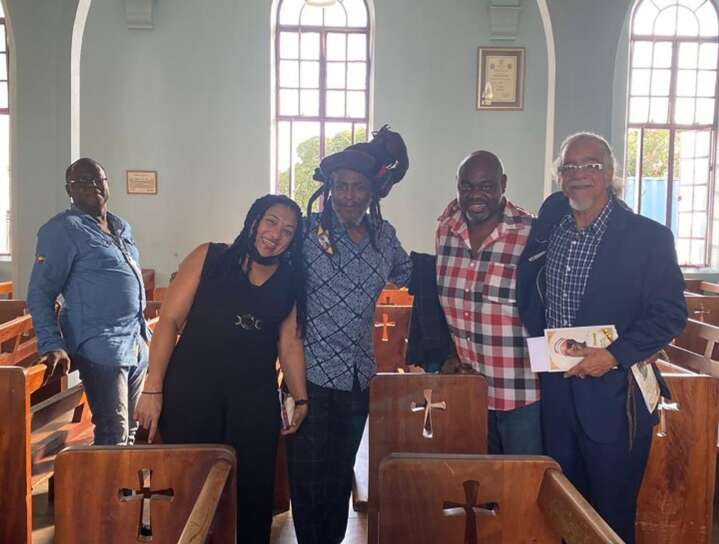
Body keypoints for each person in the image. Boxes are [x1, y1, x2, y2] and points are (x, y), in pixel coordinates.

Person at [516, 132, 687, 543]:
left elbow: (670, 314)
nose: (579, 175)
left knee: (609, 517)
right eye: (569, 167)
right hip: (557, 395)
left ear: (610, 174)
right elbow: (528, 285)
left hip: (615, 399)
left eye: (590, 165)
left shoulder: (648, 237)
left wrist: (612, 356)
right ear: (559, 176)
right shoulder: (551, 226)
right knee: (562, 510)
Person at [134, 194, 309, 544]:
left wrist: (301, 399)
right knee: (189, 485)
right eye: (271, 221)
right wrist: (153, 388)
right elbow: (168, 321)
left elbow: (289, 343)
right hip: (191, 393)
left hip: (253, 399)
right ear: (255, 220)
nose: (276, 234)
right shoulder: (210, 257)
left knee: (253, 489)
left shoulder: (290, 280)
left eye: (288, 231)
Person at [287, 126, 412, 544]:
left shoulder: (384, 238)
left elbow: (411, 275)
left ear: (372, 193)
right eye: (340, 186)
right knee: (307, 474)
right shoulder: (306, 234)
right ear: (328, 189)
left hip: (359, 377)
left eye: (358, 187)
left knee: (340, 471)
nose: (348, 196)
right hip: (310, 375)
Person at [27, 157, 149, 446]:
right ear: (69, 189)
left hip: (135, 341)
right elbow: (40, 292)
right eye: (80, 181)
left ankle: (124, 491)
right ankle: (104, 492)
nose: (90, 185)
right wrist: (51, 344)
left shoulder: (121, 227)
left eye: (96, 179)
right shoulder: (62, 230)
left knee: (132, 431)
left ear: (107, 185)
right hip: (101, 347)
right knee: (113, 434)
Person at [435, 151, 542, 455]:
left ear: (503, 184)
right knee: (474, 492)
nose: (475, 195)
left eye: (486, 186)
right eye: (467, 187)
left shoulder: (530, 233)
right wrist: (446, 353)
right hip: (467, 391)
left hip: (520, 394)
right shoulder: (445, 230)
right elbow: (444, 303)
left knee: (522, 490)